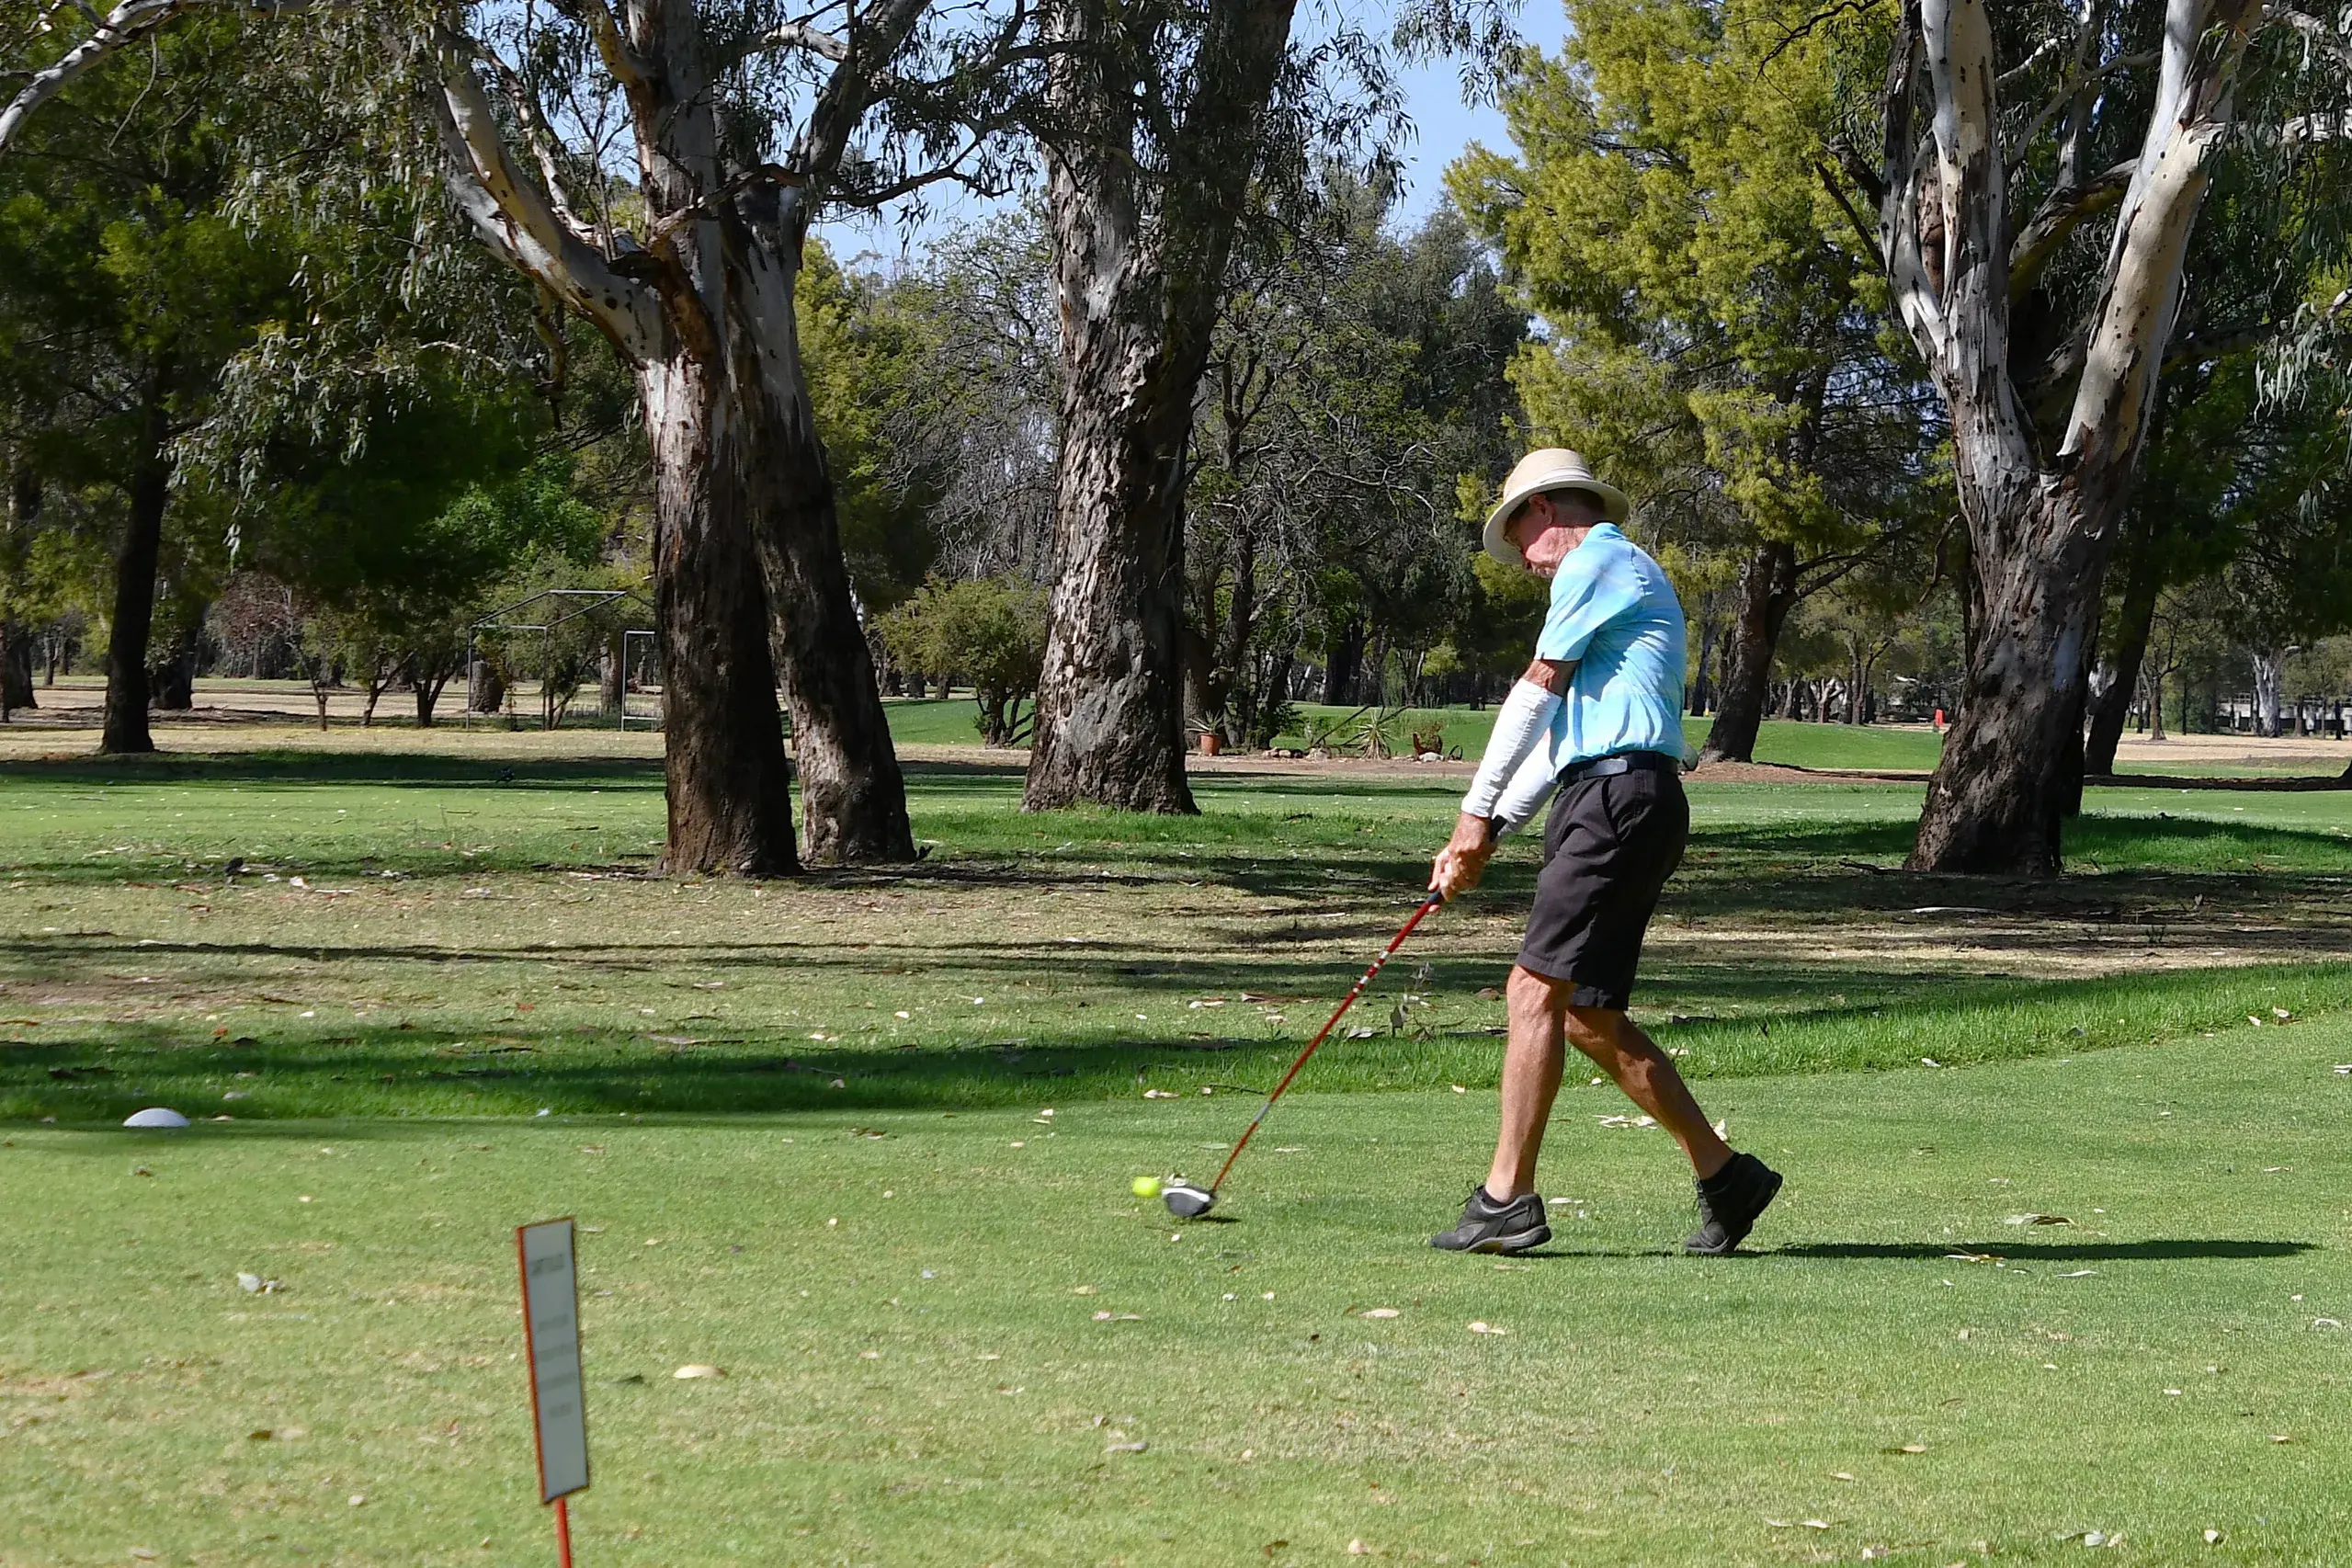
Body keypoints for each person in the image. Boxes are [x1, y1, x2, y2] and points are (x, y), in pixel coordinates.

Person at [1426, 449, 1781, 1256]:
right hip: (1621, 796)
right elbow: (1561, 750)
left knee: (1531, 990)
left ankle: (1505, 1199)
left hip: (1618, 800)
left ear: (1546, 509)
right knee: (1586, 1016)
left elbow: (1533, 691)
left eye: (1514, 529)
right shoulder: (1614, 574)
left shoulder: (1595, 559)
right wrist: (1491, 832)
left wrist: (1472, 815)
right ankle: (1727, 1176)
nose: (1517, 554)